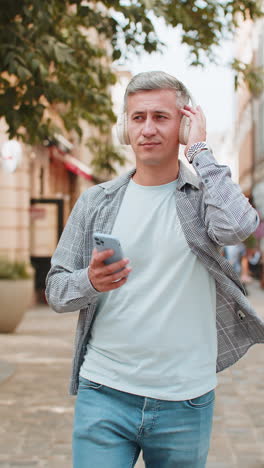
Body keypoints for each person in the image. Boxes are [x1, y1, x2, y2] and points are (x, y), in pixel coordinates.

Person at [45, 71, 264, 468]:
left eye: (161, 117)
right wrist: (90, 281)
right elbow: (57, 290)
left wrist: (199, 149)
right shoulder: (97, 202)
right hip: (104, 391)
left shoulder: (202, 200)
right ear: (125, 129)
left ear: (182, 124)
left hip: (186, 398)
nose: (148, 129)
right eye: (138, 117)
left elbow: (240, 226)